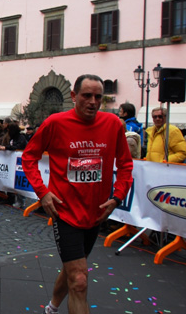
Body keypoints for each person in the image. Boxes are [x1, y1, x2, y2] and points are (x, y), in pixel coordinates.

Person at [21, 74, 133, 314]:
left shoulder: (113, 125)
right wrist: (43, 193)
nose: (93, 101)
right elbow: (29, 156)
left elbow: (125, 165)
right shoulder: (56, 123)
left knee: (73, 270)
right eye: (86, 96)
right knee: (80, 279)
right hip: (65, 213)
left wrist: (117, 197)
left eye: (98, 97)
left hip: (96, 214)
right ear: (73, 97)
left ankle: (52, 307)